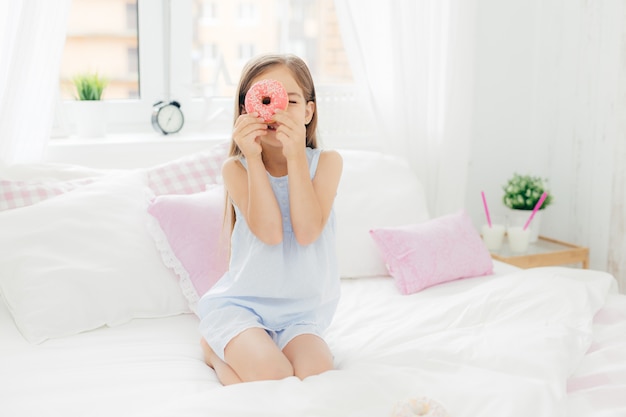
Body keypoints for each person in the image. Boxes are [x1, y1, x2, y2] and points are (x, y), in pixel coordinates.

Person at [198, 54, 343, 385]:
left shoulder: (328, 163)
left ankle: (229, 353)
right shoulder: (237, 168)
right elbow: (271, 233)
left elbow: (307, 232)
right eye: (264, 100)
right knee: (273, 376)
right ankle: (214, 349)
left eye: (290, 101)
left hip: (301, 315)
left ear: (308, 111)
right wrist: (251, 153)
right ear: (246, 110)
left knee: (319, 378)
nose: (276, 112)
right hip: (244, 307)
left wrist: (295, 156)